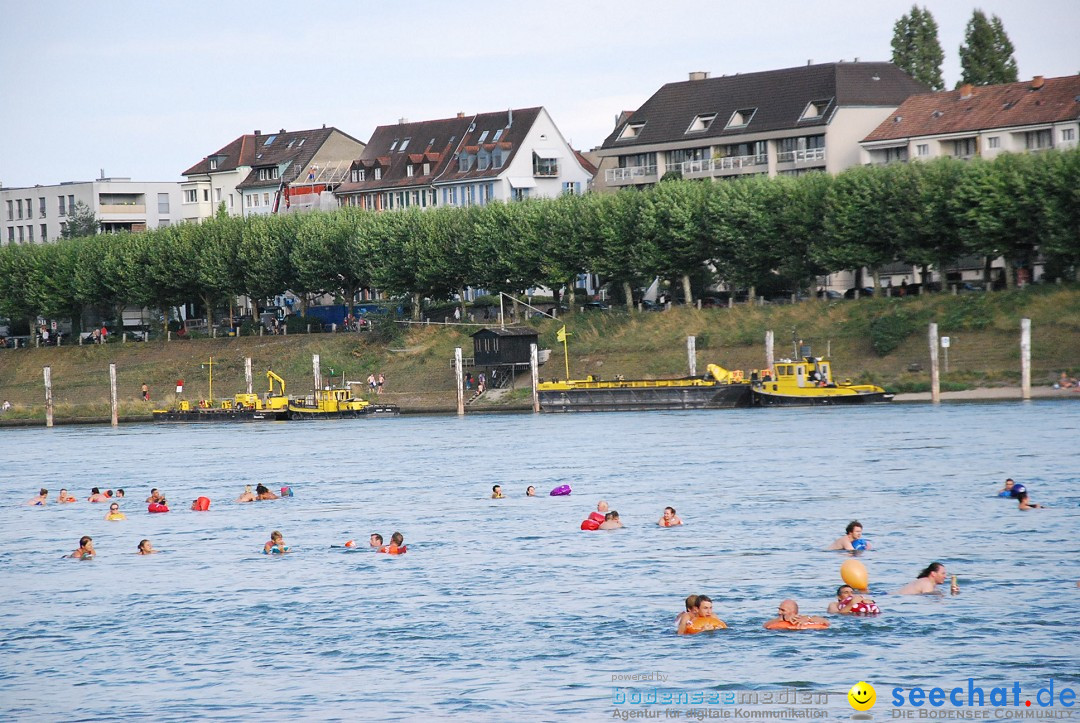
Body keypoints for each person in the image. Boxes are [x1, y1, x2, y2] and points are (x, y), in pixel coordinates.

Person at [763, 600, 830, 630]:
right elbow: (764, 626)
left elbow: (827, 622)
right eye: (779, 609)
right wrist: (782, 619)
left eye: (783, 610)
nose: (779, 612)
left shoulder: (803, 618)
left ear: (793, 612)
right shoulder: (777, 620)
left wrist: (808, 619)